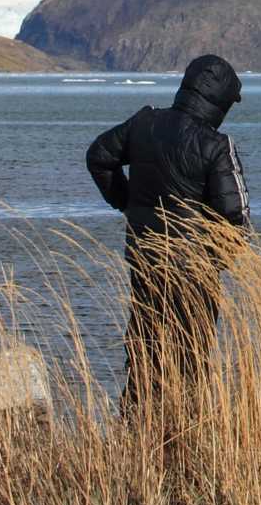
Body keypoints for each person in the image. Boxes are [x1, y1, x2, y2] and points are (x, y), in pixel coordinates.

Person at [85, 54, 249, 417]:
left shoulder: (145, 123)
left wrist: (127, 203)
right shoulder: (216, 145)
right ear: (221, 101)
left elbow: (98, 156)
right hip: (195, 270)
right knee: (191, 353)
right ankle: (184, 426)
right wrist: (218, 258)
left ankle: (136, 425)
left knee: (144, 345)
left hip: (146, 259)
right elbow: (235, 214)